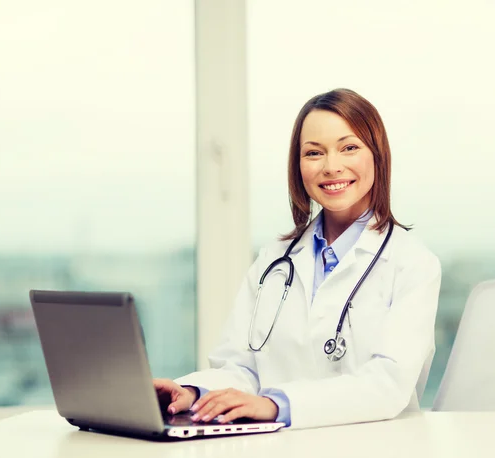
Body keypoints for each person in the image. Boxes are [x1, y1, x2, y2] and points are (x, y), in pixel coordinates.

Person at [154, 88, 441, 430]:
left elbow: (387, 385)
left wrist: (275, 405)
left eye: (349, 147)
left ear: (377, 155)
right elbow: (241, 368)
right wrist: (192, 392)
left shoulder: (413, 264)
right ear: (298, 166)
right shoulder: (273, 261)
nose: (331, 167)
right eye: (314, 153)